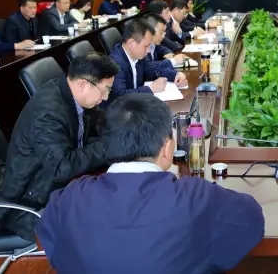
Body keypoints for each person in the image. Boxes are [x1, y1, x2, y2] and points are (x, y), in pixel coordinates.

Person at [37, 93, 265, 273]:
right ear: (167, 148)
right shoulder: (194, 197)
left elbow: (53, 248)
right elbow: (251, 218)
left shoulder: (69, 198)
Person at [0, 53, 119, 241]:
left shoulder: (70, 94)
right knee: (111, 214)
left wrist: (124, 132)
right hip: (30, 203)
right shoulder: (48, 113)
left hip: (54, 185)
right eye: (105, 90)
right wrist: (109, 147)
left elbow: (94, 126)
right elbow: (62, 167)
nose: (105, 97)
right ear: (83, 84)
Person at [108, 18, 187, 101]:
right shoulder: (115, 63)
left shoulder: (139, 55)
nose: (148, 50)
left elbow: (153, 69)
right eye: (146, 46)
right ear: (132, 43)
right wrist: (151, 89)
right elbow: (120, 96)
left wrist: (176, 75)